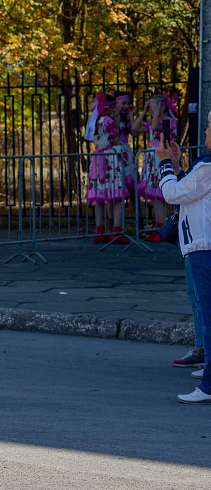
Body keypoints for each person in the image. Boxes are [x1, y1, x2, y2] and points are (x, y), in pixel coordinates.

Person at [157, 110, 211, 403]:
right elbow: (191, 192)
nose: (204, 132)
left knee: (208, 314)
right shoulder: (204, 167)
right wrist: (177, 165)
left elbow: (173, 194)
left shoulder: (208, 166)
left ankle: (208, 385)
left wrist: (164, 162)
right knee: (205, 310)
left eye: (209, 127)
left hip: (203, 248)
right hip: (199, 246)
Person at [84, 92, 130, 244]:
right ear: (108, 108)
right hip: (110, 160)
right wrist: (116, 120)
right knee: (117, 196)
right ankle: (116, 231)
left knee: (100, 197)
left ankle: (100, 230)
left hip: (97, 159)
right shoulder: (107, 120)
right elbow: (116, 136)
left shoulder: (95, 121)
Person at [134, 93, 178, 242]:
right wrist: (144, 111)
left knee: (159, 194)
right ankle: (158, 226)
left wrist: (158, 111)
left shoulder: (169, 121)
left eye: (152, 106)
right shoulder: (153, 120)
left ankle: (161, 228)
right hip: (151, 160)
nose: (151, 110)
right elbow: (135, 129)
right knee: (152, 194)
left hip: (161, 158)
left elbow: (154, 126)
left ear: (161, 107)